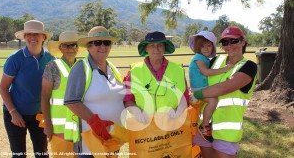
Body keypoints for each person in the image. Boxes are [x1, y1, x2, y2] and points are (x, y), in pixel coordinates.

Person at [193, 26, 257, 158]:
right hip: (204, 128)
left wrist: (197, 94)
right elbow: (199, 77)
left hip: (227, 132)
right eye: (225, 42)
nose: (229, 46)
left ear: (243, 42)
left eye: (233, 41)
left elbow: (225, 87)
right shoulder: (216, 61)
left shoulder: (248, 66)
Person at [63, 26, 126, 157]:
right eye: (97, 43)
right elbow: (71, 101)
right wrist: (95, 122)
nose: (102, 46)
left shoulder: (112, 68)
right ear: (89, 46)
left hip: (112, 140)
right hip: (90, 144)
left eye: (106, 43)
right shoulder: (81, 68)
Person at [0, 20, 55, 158]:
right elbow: (3, 87)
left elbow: (53, 91)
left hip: (39, 114)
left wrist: (49, 118)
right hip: (15, 114)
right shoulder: (15, 59)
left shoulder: (51, 60)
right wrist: (13, 113)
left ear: (44, 37)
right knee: (19, 155)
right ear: (24, 37)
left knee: (42, 153)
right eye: (28, 34)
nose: (32, 37)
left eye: (36, 34)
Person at [124, 31, 189, 124]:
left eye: (160, 45)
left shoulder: (178, 70)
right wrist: (138, 112)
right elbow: (128, 100)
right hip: (145, 127)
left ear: (164, 47)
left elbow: (185, 97)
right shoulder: (135, 71)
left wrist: (177, 111)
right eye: (152, 46)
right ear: (146, 48)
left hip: (172, 126)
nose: (156, 49)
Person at [41, 31, 84, 157]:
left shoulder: (84, 66)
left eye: (73, 45)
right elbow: (44, 96)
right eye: (66, 45)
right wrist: (47, 124)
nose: (70, 48)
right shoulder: (52, 67)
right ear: (60, 48)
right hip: (59, 129)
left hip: (81, 128)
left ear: (78, 47)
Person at [189, 31, 233, 142]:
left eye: (209, 46)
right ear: (198, 47)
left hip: (203, 88)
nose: (206, 49)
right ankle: (204, 126)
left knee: (212, 100)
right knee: (213, 101)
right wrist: (224, 69)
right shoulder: (199, 57)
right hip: (198, 89)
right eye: (202, 46)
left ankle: (205, 122)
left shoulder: (205, 58)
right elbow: (206, 72)